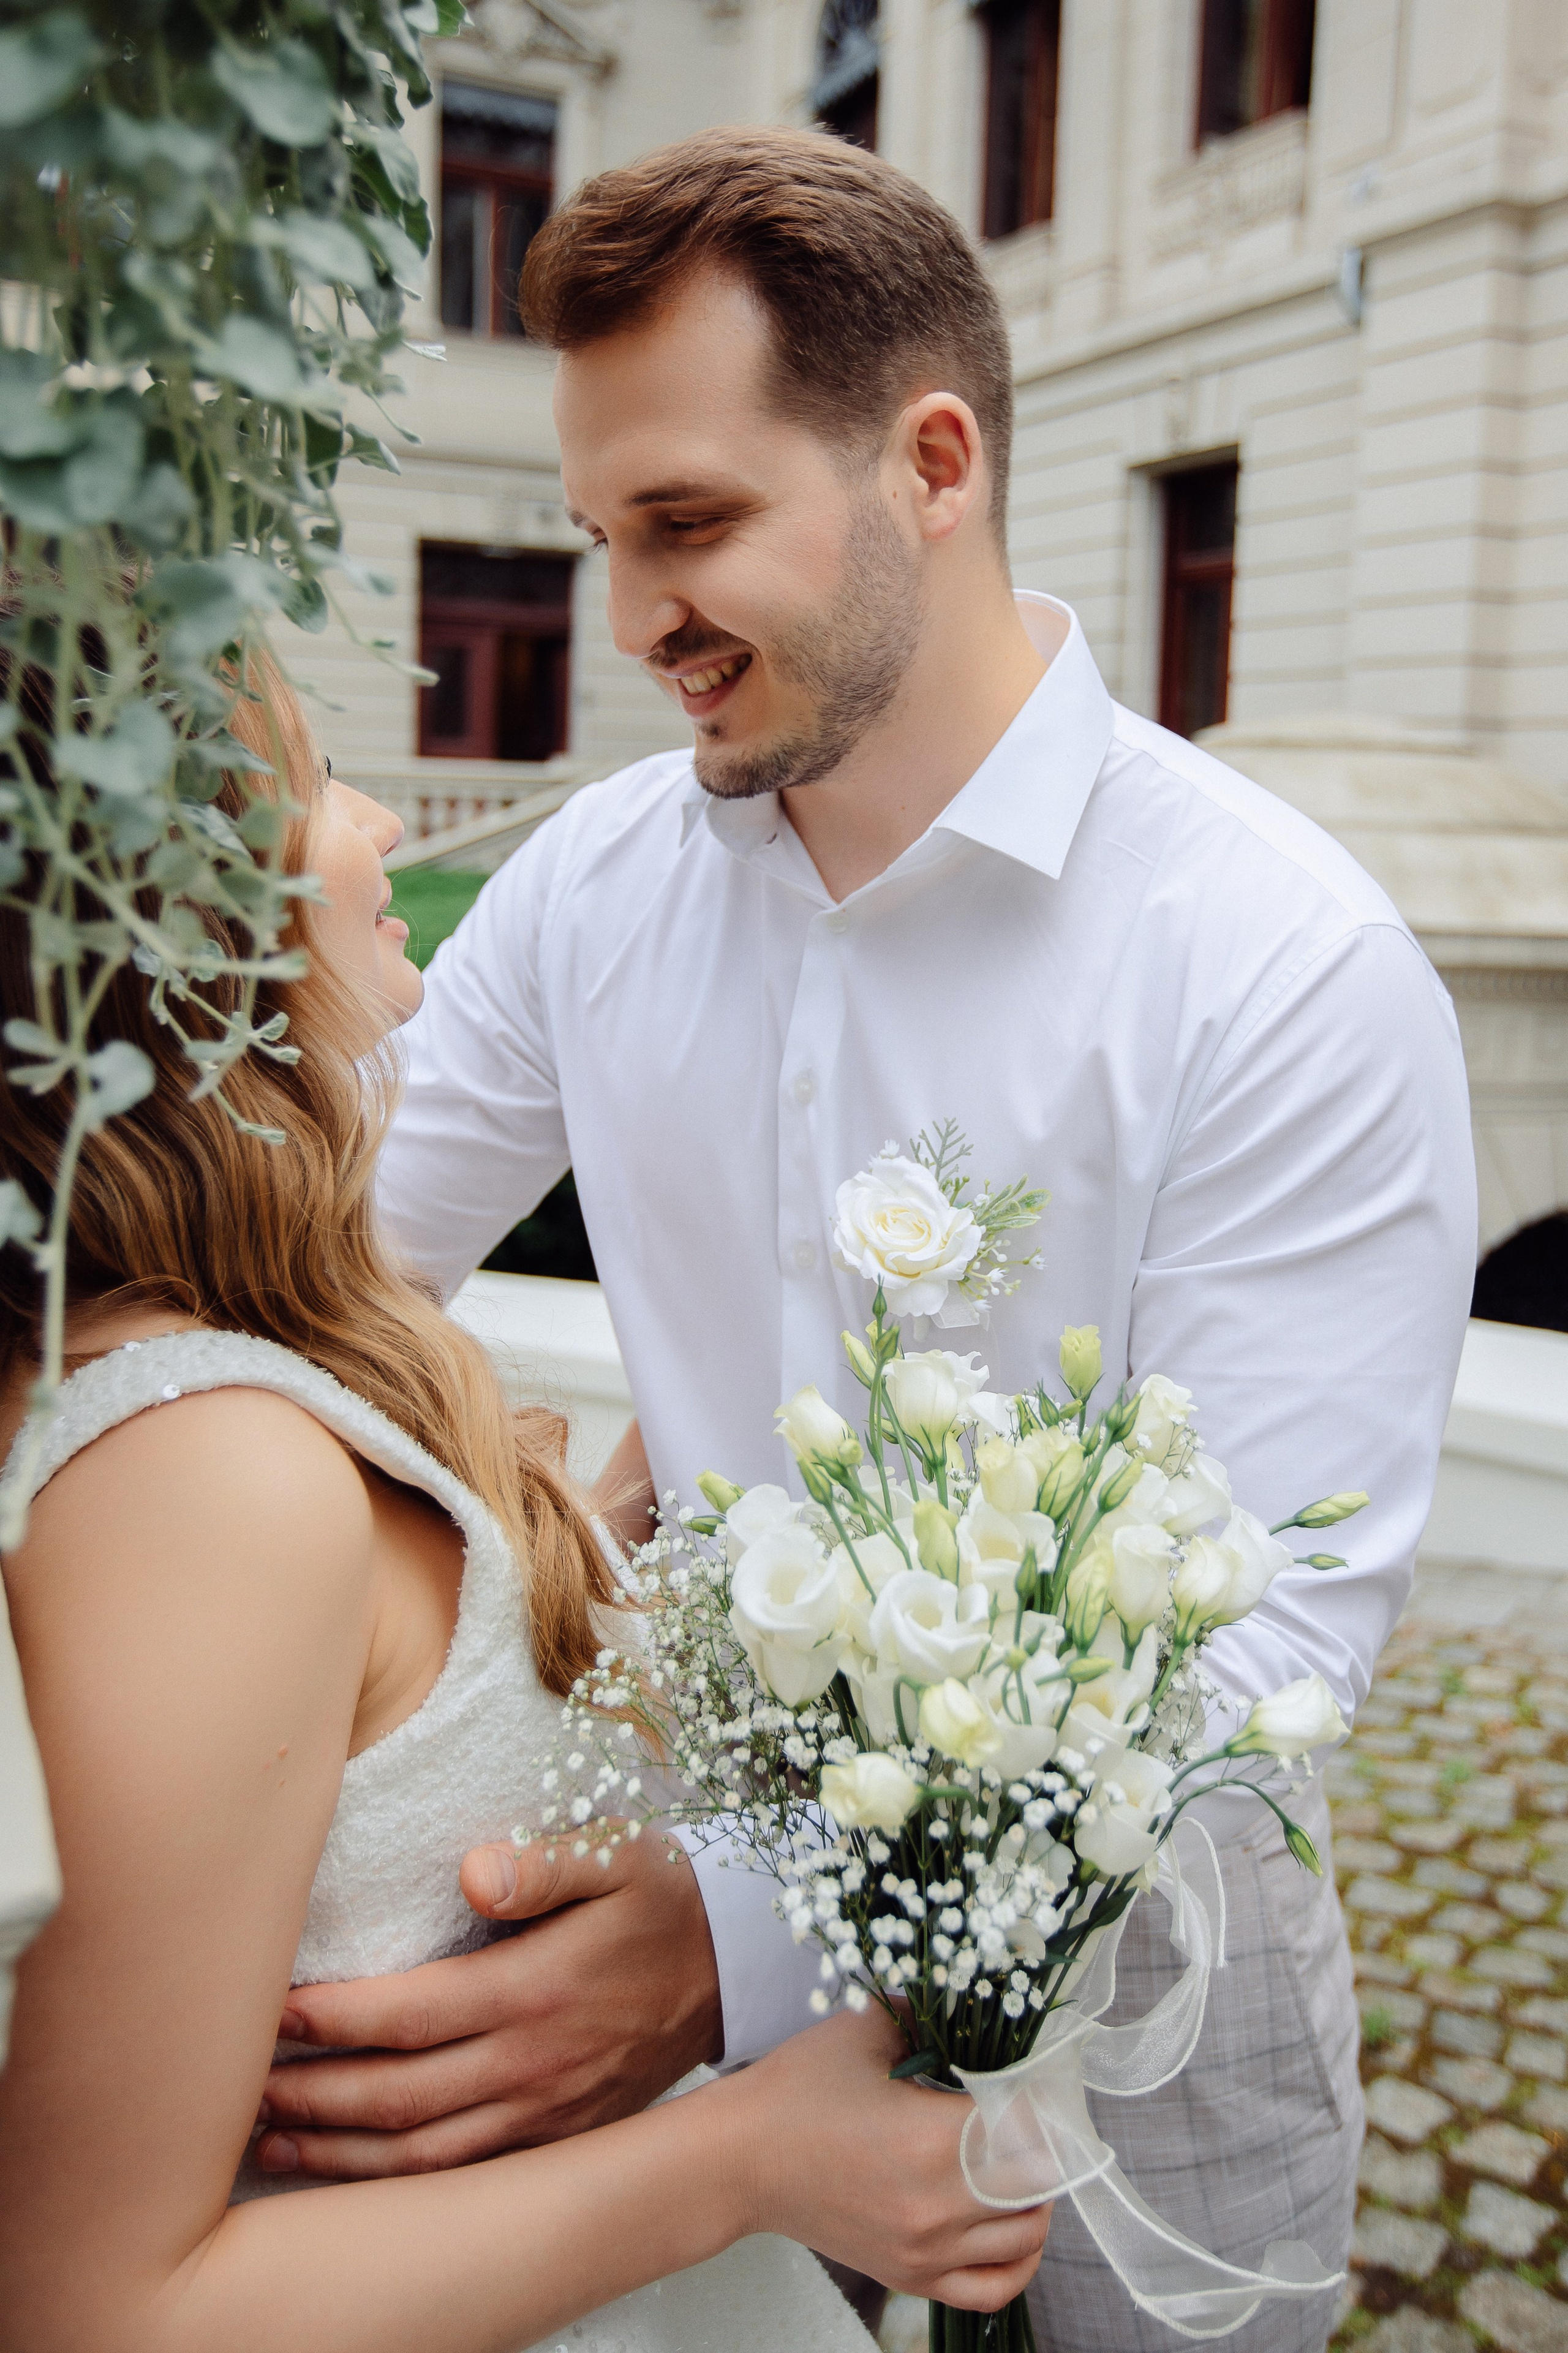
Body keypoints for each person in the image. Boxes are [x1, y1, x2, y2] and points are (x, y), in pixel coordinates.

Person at [271, 128, 1477, 2352]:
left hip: (1155, 2022)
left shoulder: (1281, 964)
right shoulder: (581, 895)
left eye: (693, 524)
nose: (632, 618)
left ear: (934, 462)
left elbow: (1260, 1660)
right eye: (603, 536)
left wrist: (726, 1935)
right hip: (689, 2014)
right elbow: (324, 1274)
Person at [0, 662, 1052, 2353]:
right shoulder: (207, 1477)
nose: (380, 823)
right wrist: (747, 2156)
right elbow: (96, 2311)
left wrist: (601, 1510)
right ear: (167, 913)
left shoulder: (227, 1349)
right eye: (321, 778)